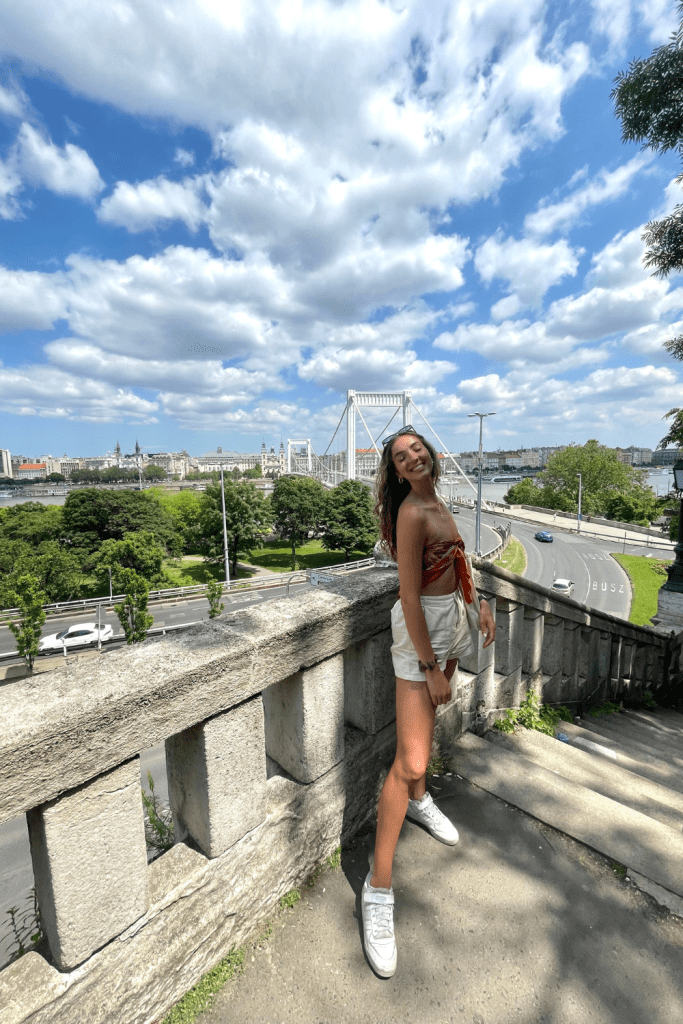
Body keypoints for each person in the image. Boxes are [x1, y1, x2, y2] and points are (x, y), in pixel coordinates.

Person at [362, 425, 496, 978]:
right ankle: (377, 889)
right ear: (395, 471)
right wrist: (427, 665)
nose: (412, 456)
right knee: (411, 759)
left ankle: (420, 803)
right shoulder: (412, 515)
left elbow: (458, 565)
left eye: (417, 448)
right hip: (422, 635)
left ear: (430, 455)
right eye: (401, 455)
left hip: (453, 625)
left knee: (425, 737)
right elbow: (409, 594)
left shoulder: (438, 502)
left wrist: (480, 604)